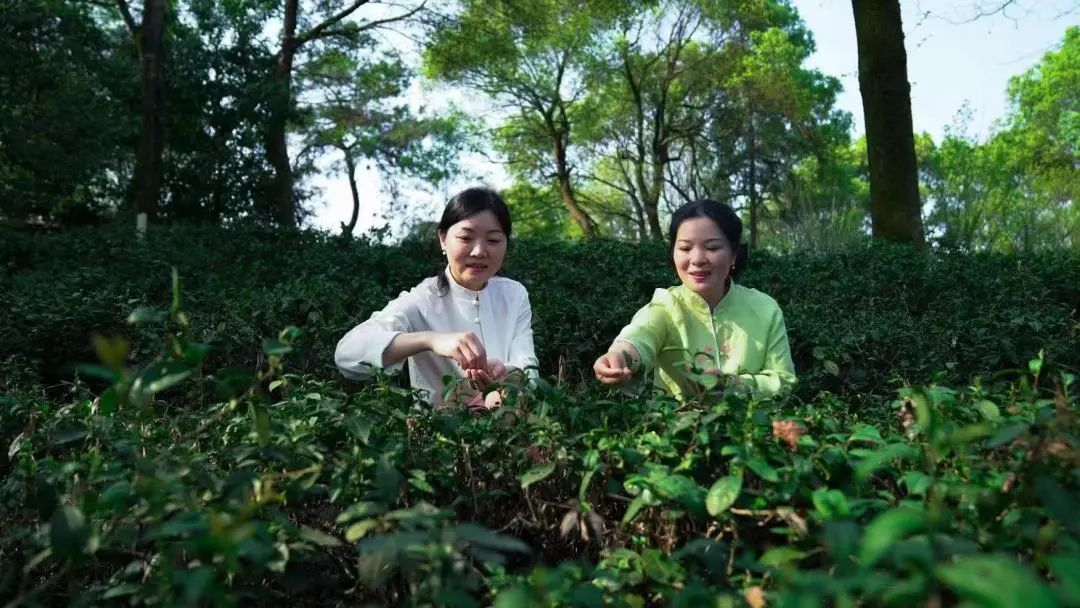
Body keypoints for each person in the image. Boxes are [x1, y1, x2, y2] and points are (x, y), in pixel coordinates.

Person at [335, 187, 538, 407]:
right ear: (443, 239)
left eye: (494, 240)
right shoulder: (422, 300)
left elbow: (529, 369)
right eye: (466, 237)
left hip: (509, 420)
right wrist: (431, 340)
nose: (479, 251)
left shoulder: (514, 294)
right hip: (441, 427)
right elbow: (347, 356)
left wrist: (505, 374)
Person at [593, 199, 795, 400]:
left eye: (712, 248)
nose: (697, 259)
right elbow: (640, 336)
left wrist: (733, 386)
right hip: (677, 419)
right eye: (685, 248)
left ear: (734, 254)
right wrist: (620, 357)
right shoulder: (665, 306)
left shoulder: (765, 308)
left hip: (753, 420)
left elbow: (783, 381)